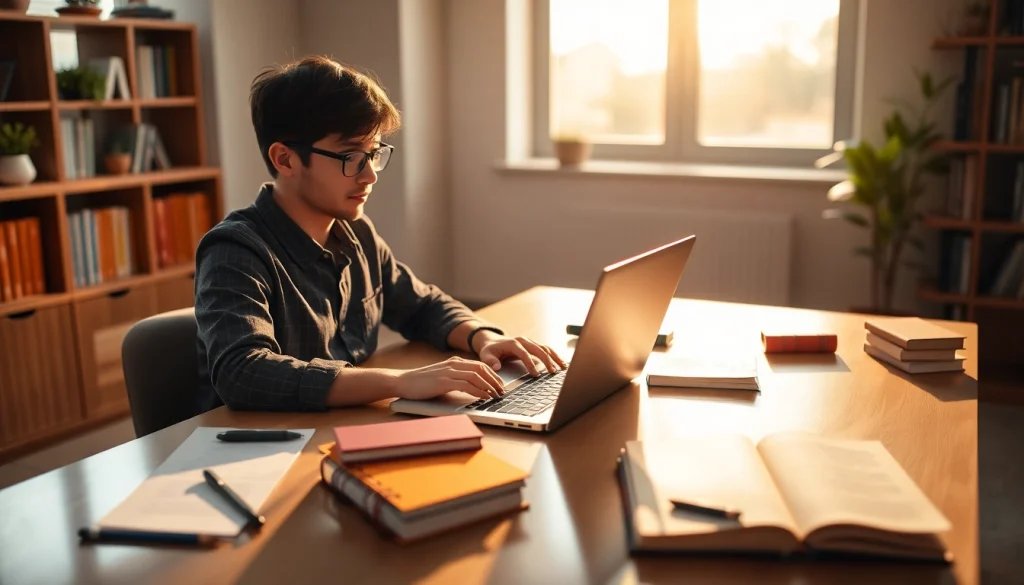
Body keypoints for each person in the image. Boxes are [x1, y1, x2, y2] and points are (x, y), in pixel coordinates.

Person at [194, 56, 565, 412]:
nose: (370, 175)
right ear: (285, 159)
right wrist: (399, 383)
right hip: (259, 453)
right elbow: (242, 372)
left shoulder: (355, 233)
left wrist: (485, 337)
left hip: (341, 428)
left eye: (373, 154)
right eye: (350, 157)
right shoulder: (235, 251)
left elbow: (421, 304)